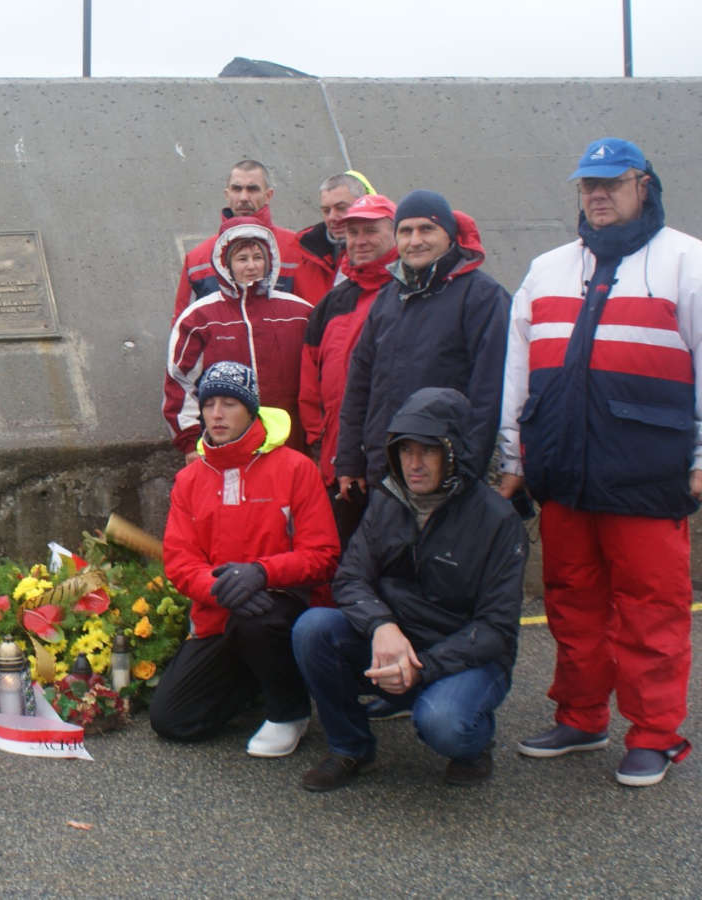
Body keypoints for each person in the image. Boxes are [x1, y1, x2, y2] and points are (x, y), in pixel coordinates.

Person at [499, 138, 700, 787]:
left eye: (612, 183)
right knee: (572, 604)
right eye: (588, 184)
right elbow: (517, 374)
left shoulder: (687, 263)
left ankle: (654, 734)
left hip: (649, 476)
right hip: (562, 475)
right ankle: (582, 716)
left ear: (644, 184)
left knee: (652, 609)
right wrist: (512, 456)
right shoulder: (548, 269)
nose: (597, 194)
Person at [292, 387, 526, 791]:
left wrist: (423, 669)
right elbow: (350, 577)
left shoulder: (498, 520)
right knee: (313, 628)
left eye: (427, 451)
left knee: (444, 723)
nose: (413, 464)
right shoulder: (387, 501)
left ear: (454, 453)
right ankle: (351, 747)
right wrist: (382, 625)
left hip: (465, 655)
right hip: (397, 641)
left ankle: (475, 741)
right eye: (404, 451)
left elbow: (497, 627)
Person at [152, 362, 339, 757]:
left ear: (252, 410)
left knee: (256, 621)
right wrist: (219, 588)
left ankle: (289, 710)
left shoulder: (295, 469)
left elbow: (323, 555)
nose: (217, 415)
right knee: (174, 721)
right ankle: (257, 683)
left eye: (230, 403)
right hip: (218, 613)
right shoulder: (189, 480)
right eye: (209, 404)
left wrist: (261, 573)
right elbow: (180, 561)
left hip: (283, 608)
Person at [334, 190, 509, 496]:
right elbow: (359, 383)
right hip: (386, 473)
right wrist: (350, 459)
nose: (415, 241)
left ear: (450, 235)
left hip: (447, 474)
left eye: (426, 229)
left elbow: (490, 393)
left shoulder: (482, 297)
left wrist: (467, 472)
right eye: (405, 231)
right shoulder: (388, 299)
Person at [297, 193, 401, 540]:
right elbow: (311, 379)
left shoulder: (409, 294)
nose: (360, 241)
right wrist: (320, 439)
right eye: (353, 232)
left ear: (395, 232)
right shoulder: (333, 302)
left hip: (398, 461)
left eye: (370, 231)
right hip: (339, 461)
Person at [164, 217, 314, 454]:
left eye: (258, 258)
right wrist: (191, 443)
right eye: (242, 259)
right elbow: (180, 382)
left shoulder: (300, 313)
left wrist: (317, 442)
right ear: (225, 264)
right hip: (224, 447)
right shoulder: (199, 318)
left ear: (270, 261)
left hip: (292, 445)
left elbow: (319, 379)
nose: (251, 266)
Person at [172, 160, 330, 319]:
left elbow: (315, 320)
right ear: (227, 195)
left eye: (252, 189)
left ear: (268, 195)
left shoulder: (299, 251)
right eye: (237, 189)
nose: (244, 197)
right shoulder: (196, 260)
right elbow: (183, 329)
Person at [293, 171, 376, 288]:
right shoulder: (302, 250)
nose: (332, 217)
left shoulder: (383, 252)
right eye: (326, 210)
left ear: (363, 205)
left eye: (341, 208)